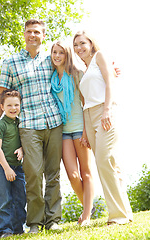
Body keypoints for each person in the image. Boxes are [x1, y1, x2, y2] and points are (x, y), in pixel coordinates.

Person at [0, 19, 63, 233]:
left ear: (43, 36)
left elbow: (73, 71)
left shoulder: (51, 59)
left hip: (54, 121)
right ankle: (35, 222)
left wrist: (107, 68)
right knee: (33, 174)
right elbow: (2, 94)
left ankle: (53, 220)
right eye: (29, 31)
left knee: (53, 173)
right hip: (29, 125)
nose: (33, 35)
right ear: (24, 34)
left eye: (37, 32)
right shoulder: (10, 62)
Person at [73, 30, 133, 225]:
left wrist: (107, 109)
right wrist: (84, 130)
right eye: (76, 45)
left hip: (104, 111)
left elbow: (110, 82)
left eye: (82, 43)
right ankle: (124, 213)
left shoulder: (100, 56)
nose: (79, 48)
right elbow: (84, 102)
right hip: (89, 116)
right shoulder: (83, 70)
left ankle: (118, 216)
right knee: (110, 164)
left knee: (105, 161)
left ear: (91, 43)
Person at [50, 40, 95, 226]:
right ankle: (88, 204)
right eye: (54, 52)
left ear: (67, 54)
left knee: (86, 173)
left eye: (61, 52)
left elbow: (86, 103)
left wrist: (86, 130)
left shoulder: (77, 75)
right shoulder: (51, 79)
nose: (58, 56)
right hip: (63, 131)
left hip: (79, 128)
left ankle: (86, 215)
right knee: (73, 175)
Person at [0, 89, 26, 238]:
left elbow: (24, 142)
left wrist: (21, 149)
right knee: (4, 198)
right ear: (2, 107)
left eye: (16, 105)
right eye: (9, 106)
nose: (13, 108)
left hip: (18, 167)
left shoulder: (21, 123)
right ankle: (5, 230)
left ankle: (18, 229)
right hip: (2, 167)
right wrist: (6, 168)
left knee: (20, 198)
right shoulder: (0, 125)